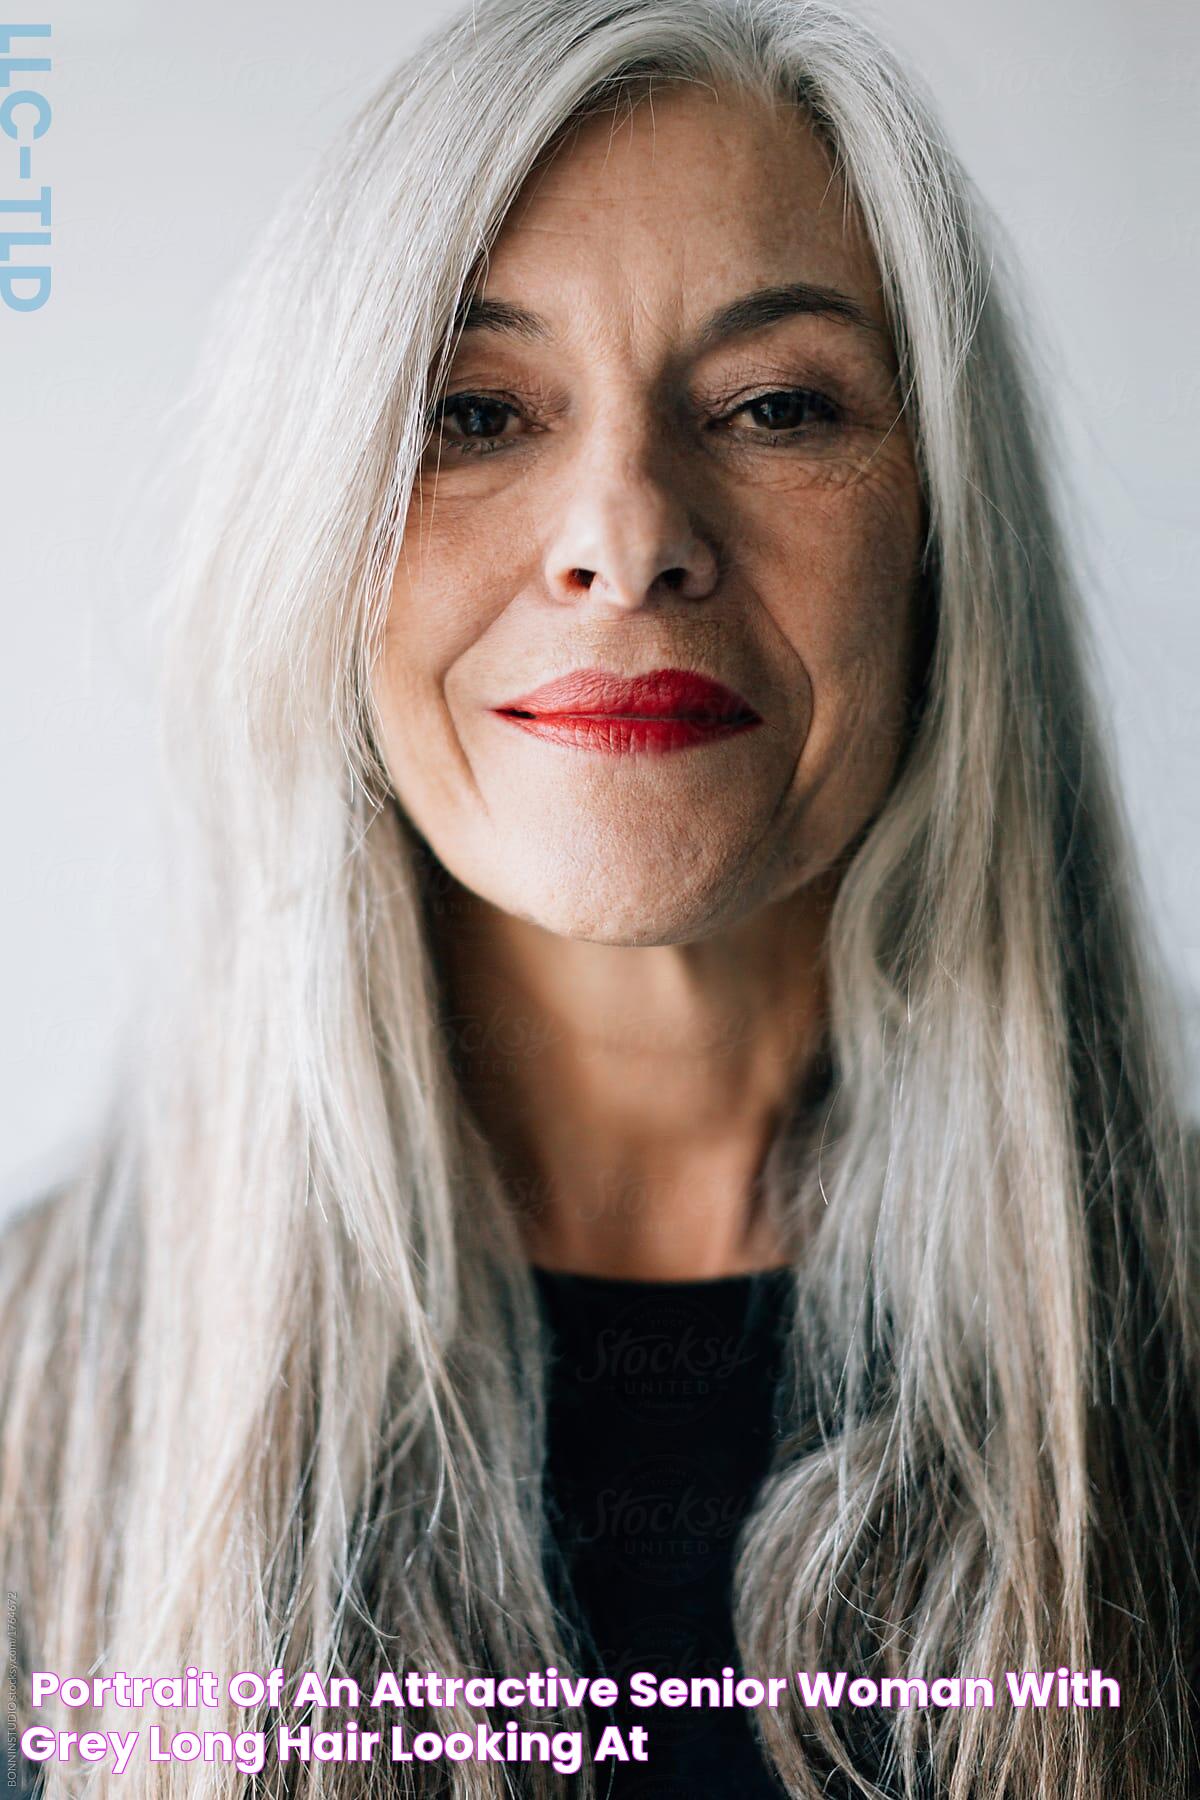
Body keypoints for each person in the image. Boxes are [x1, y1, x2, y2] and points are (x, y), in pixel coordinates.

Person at [2, 0, 1197, 1795]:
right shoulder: (30, 1412)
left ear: (946, 539)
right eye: (475, 410)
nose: (627, 534)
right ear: (314, 533)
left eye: (781, 405)